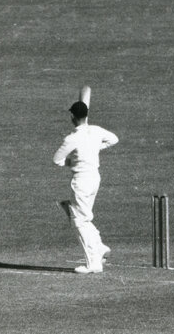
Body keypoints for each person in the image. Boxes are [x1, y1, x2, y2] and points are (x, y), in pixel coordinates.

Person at [53, 100, 118, 274]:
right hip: (94, 178)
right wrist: (96, 148)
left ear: (73, 116)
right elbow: (114, 139)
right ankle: (100, 247)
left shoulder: (71, 138)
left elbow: (57, 160)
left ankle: (93, 264)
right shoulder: (96, 131)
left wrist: (72, 160)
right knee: (84, 217)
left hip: (81, 181)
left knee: (79, 221)